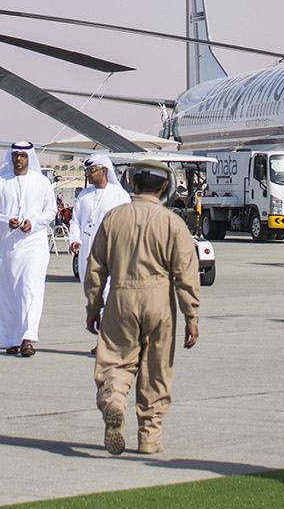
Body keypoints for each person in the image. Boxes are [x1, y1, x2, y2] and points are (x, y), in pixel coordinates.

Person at [85, 159, 199, 456]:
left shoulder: (114, 218)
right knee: (156, 370)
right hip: (159, 300)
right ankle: (149, 436)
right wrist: (191, 315)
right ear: (165, 187)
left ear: (133, 183)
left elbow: (96, 267)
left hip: (121, 298)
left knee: (115, 362)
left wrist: (93, 307)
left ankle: (114, 401)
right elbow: (186, 273)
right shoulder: (173, 223)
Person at [0, 141, 57, 357]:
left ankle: (27, 338)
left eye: (23, 156)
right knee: (7, 293)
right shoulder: (1, 182)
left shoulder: (41, 182)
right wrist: (6, 221)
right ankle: (10, 340)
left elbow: (50, 211)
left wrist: (33, 223)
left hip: (33, 244)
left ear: (29, 158)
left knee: (29, 289)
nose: (19, 159)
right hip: (6, 245)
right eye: (16, 155)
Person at [71, 154, 132, 292]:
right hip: (86, 251)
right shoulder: (83, 195)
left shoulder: (119, 195)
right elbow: (75, 221)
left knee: (108, 293)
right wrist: (75, 240)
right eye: (86, 171)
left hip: (110, 252)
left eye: (92, 170)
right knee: (91, 293)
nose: (87, 174)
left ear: (104, 170)